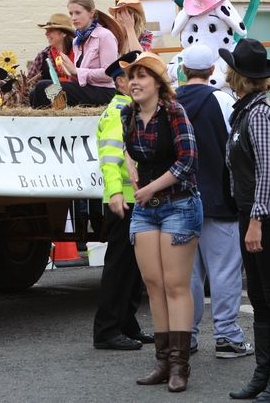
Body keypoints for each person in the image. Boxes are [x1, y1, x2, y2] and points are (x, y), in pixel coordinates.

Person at [222, 39, 270, 402]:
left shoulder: (261, 115)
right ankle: (263, 374)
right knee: (259, 294)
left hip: (266, 214)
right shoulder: (247, 111)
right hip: (252, 212)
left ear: (237, 76)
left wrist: (256, 220)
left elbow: (269, 172)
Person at [120, 51, 202, 393]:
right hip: (146, 208)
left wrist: (151, 186)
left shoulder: (174, 112)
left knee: (175, 285)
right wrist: (129, 164)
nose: (134, 82)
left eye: (142, 76)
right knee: (153, 284)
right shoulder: (127, 114)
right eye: (131, 77)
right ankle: (162, 361)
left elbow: (188, 161)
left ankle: (180, 366)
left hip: (179, 205)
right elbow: (126, 149)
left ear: (157, 83)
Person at [175, 42, 252, 359]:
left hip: (178, 200)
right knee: (224, 271)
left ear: (183, 70)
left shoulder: (169, 102)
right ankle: (227, 336)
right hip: (218, 198)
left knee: (187, 275)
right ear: (211, 70)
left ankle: (187, 336)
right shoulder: (222, 100)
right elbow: (236, 146)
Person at [92, 50, 153, 351]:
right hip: (123, 200)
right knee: (119, 267)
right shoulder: (119, 112)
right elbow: (110, 158)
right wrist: (116, 192)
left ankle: (127, 324)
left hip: (131, 198)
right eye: (133, 77)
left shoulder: (127, 110)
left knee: (131, 268)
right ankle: (106, 330)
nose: (138, 82)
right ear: (119, 83)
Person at [59, 0, 126, 107]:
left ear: (91, 13)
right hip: (86, 89)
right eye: (71, 14)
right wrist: (69, 72)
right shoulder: (77, 40)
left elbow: (109, 74)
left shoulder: (104, 35)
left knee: (46, 88)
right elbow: (79, 76)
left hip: (103, 91)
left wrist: (76, 71)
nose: (73, 18)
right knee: (42, 89)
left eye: (78, 13)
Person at [28, 13, 75, 108]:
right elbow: (29, 85)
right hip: (49, 105)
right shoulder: (43, 56)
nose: (46, 34)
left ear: (64, 33)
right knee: (36, 91)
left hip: (75, 98)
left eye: (51, 31)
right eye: (46, 31)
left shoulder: (80, 53)